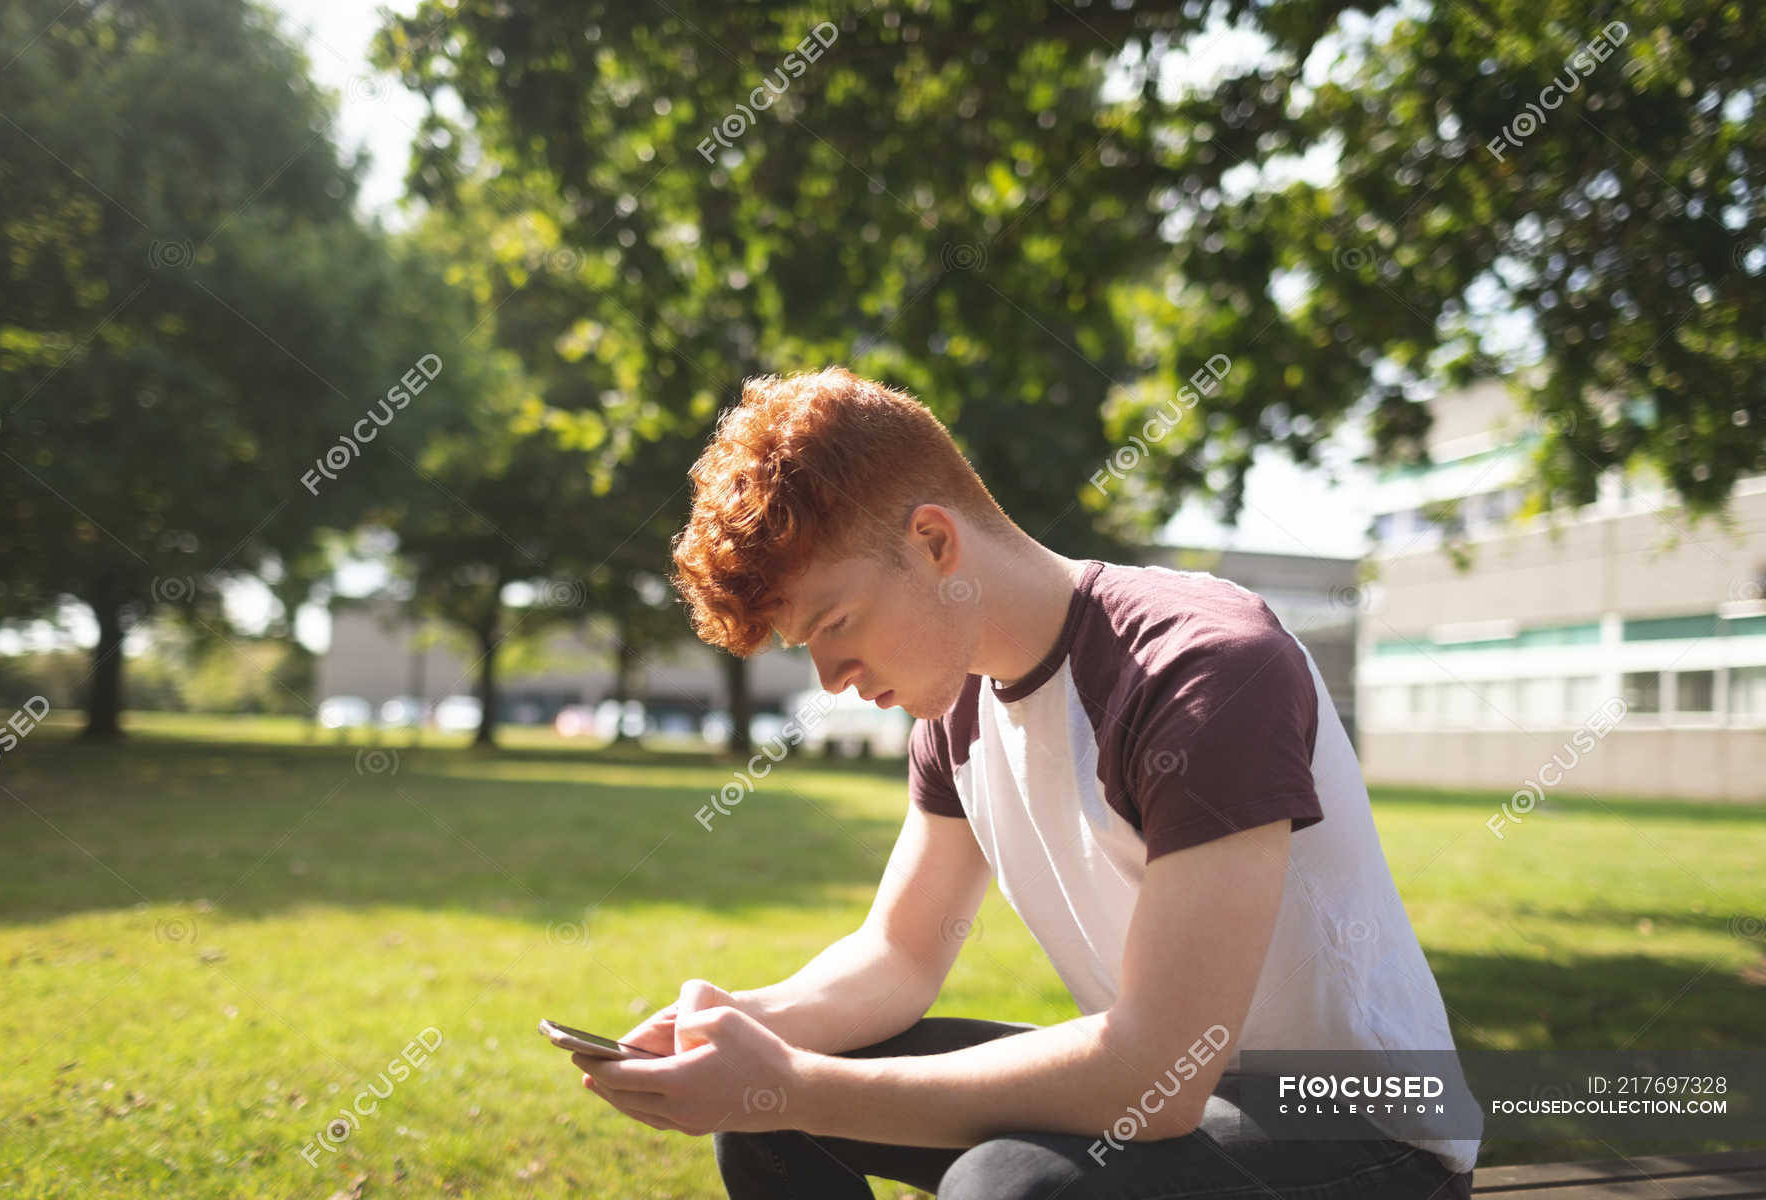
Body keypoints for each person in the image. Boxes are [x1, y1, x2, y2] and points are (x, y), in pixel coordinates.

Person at [568, 366, 1480, 1199]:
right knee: (769, 1124)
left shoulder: (1201, 669)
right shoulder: (954, 704)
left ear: (932, 542)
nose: (831, 677)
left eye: (836, 622)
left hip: (1368, 1130)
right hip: (1178, 1099)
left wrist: (790, 1083)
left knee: (1014, 1188)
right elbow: (897, 956)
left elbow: (1157, 1073)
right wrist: (742, 1029)